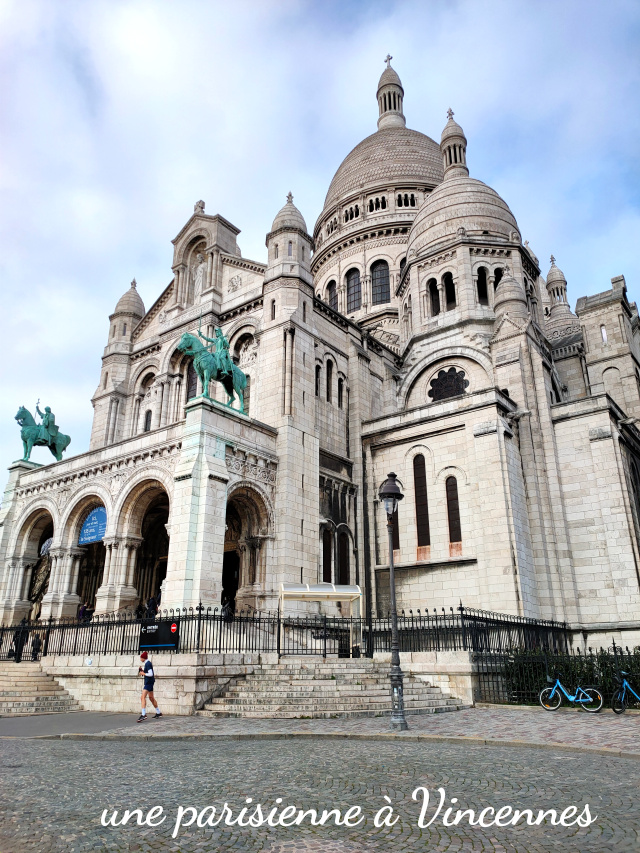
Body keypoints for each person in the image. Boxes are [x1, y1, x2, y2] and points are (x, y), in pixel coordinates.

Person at [137, 651, 162, 722]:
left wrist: (143, 673)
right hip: (150, 682)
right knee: (151, 698)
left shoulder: (148, 664)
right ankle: (158, 712)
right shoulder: (148, 663)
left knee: (142, 697)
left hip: (148, 683)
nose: (140, 659)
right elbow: (149, 673)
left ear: (143, 658)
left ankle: (143, 714)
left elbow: (150, 674)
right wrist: (142, 671)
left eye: (141, 657)